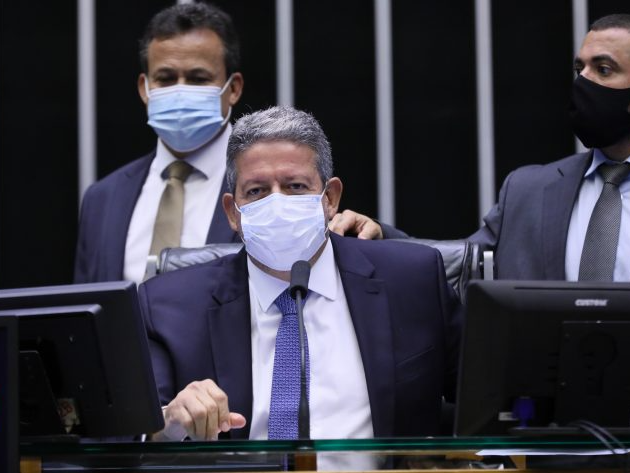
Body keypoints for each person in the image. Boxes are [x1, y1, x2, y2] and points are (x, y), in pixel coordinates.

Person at [138, 106, 462, 441]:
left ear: (330, 198)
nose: (276, 204)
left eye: (294, 186)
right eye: (256, 191)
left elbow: (491, 402)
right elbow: (125, 434)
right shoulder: (169, 306)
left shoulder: (413, 282)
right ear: (233, 213)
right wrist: (169, 422)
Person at [332, 13, 630, 282]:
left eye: (603, 70)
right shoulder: (529, 191)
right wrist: (380, 238)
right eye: (581, 69)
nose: (584, 82)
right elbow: (459, 265)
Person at [74, 2, 244, 284]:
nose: (180, 90)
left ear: (233, 88)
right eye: (165, 79)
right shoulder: (102, 199)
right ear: (145, 88)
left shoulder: (270, 188)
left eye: (197, 78)